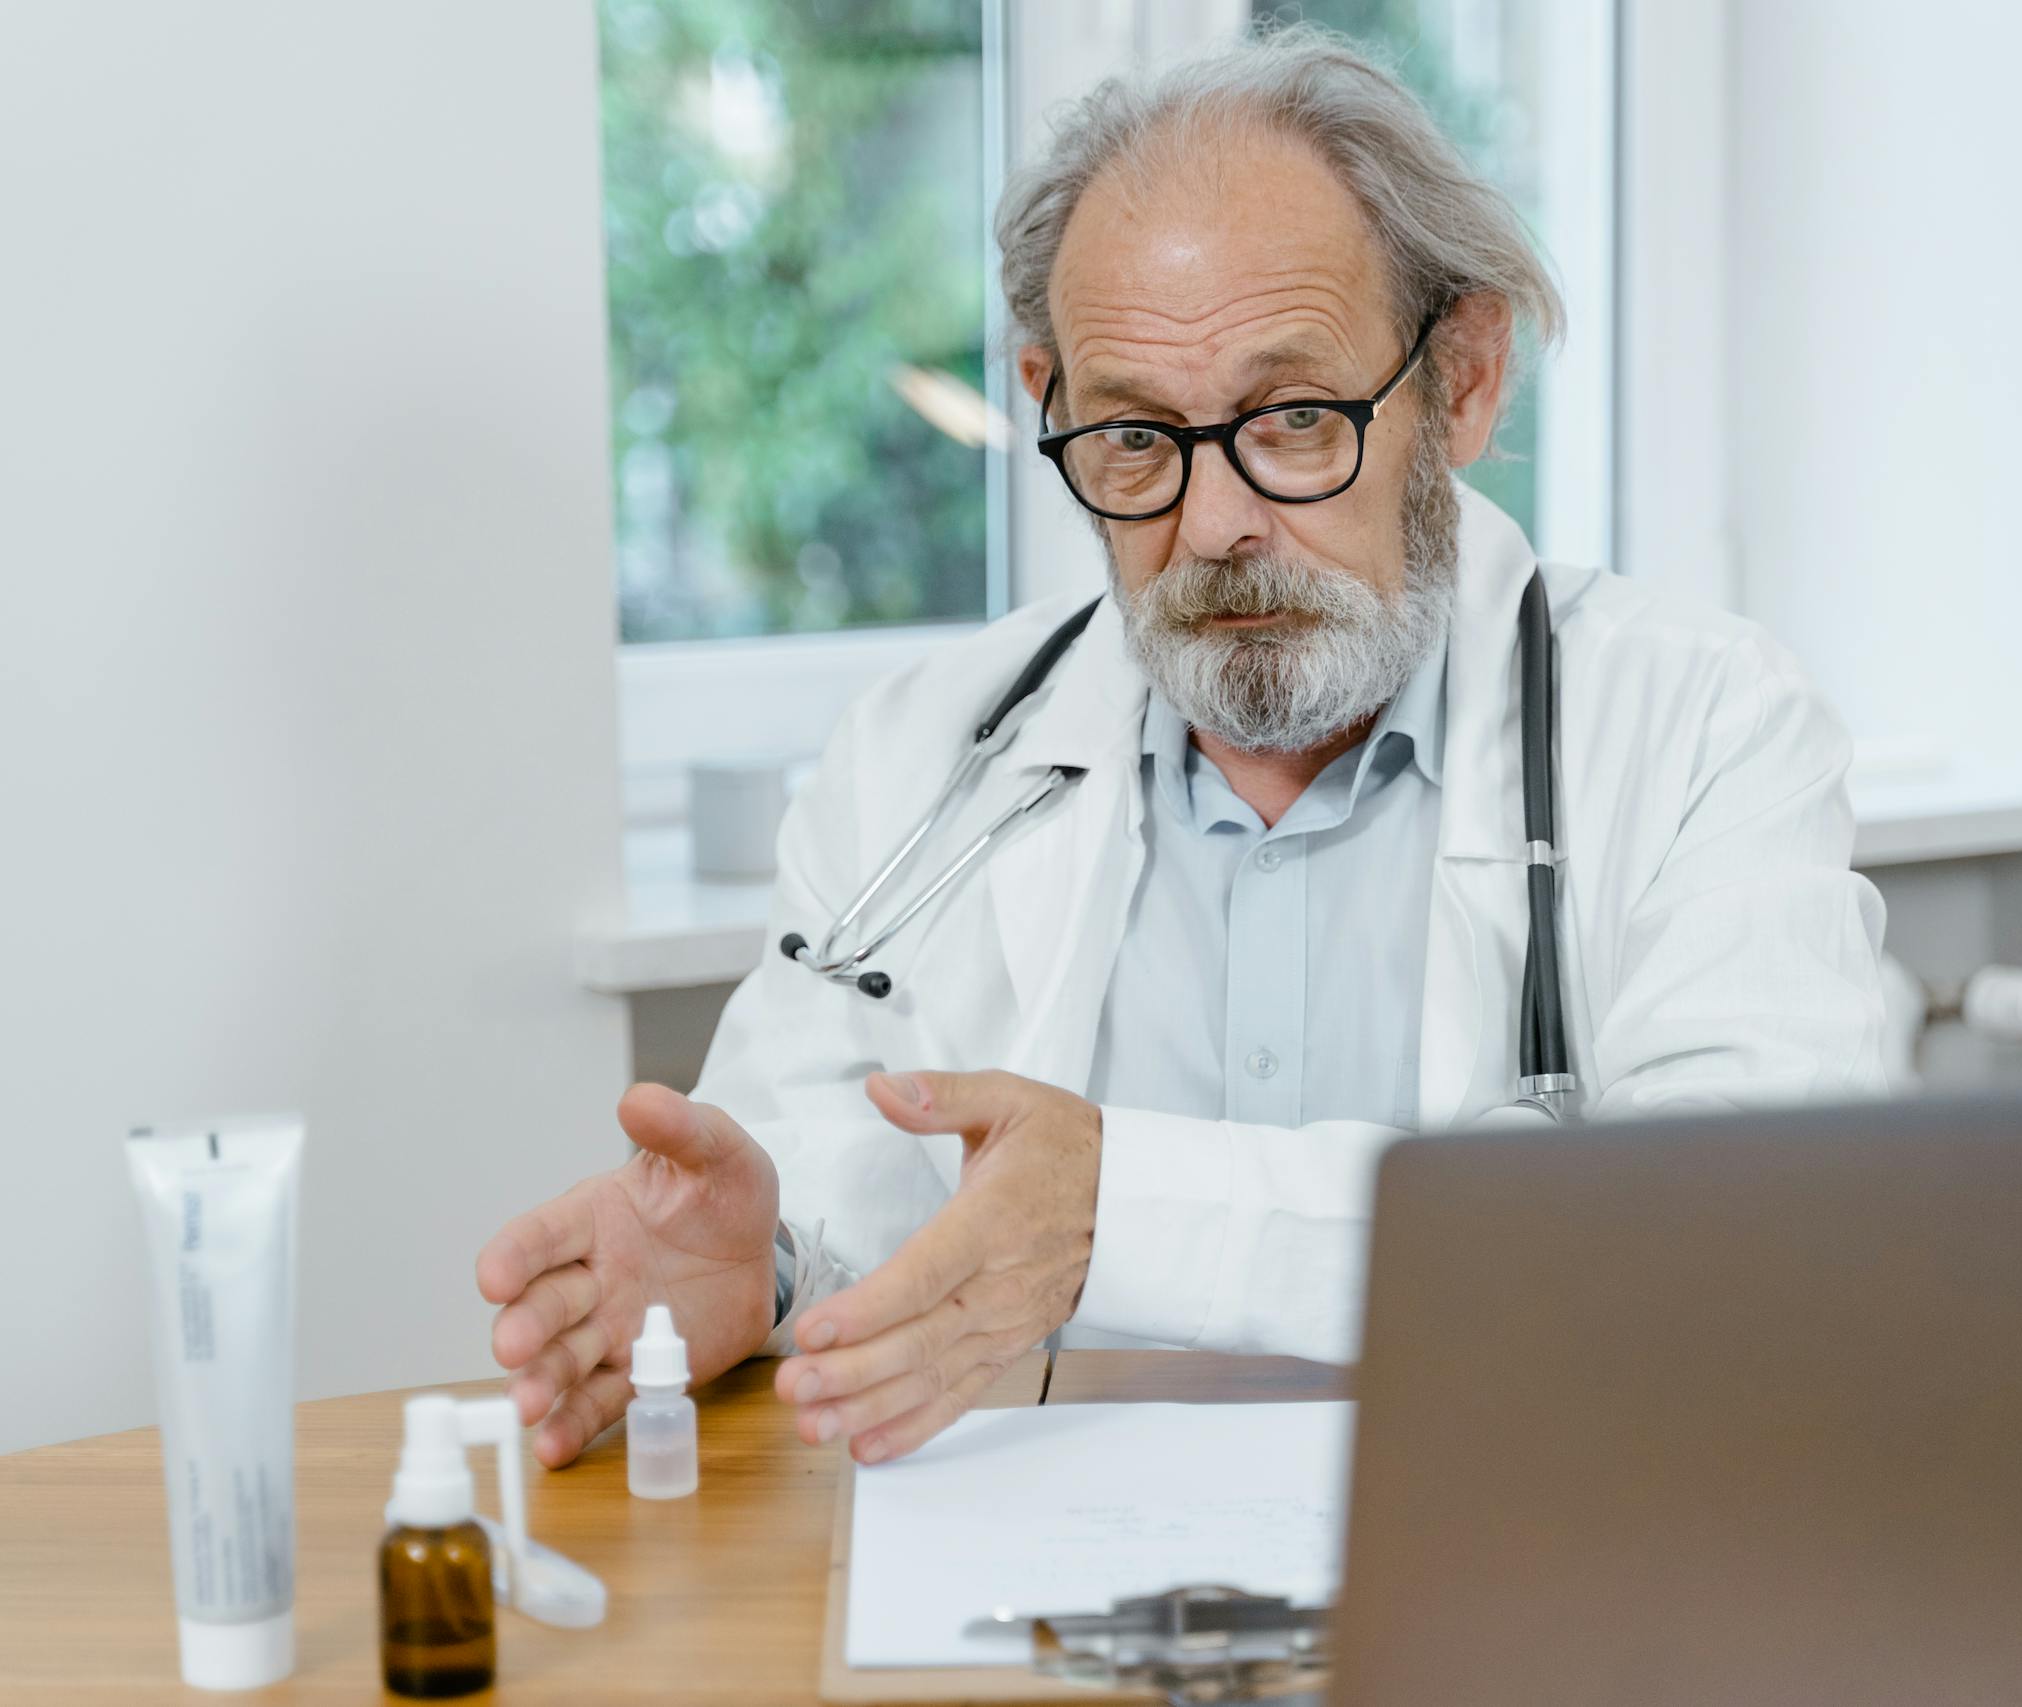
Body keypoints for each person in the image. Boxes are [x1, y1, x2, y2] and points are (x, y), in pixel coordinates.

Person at [475, 24, 1888, 1473]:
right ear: (1052, 396)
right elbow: (832, 1208)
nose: (1213, 525)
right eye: (1137, 436)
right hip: (1046, 1605)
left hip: (1527, 1552)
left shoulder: (1705, 723)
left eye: (1291, 417)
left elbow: (1751, 1250)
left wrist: (1124, 1213)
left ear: (1463, 380)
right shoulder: (920, 755)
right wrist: (759, 1271)